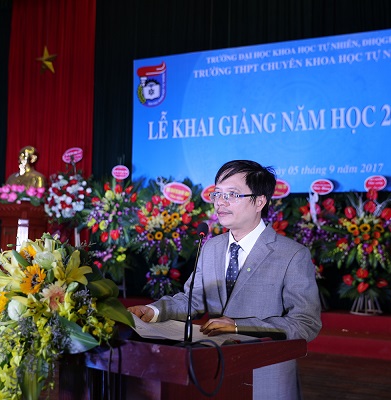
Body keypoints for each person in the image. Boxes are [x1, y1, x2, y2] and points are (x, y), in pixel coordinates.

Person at [129, 160, 322, 400]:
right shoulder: (211, 248)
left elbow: (305, 323)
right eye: (217, 193)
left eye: (232, 194)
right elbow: (193, 299)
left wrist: (239, 326)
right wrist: (154, 311)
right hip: (216, 375)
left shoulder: (292, 254)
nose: (220, 202)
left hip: (266, 378)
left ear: (260, 201)